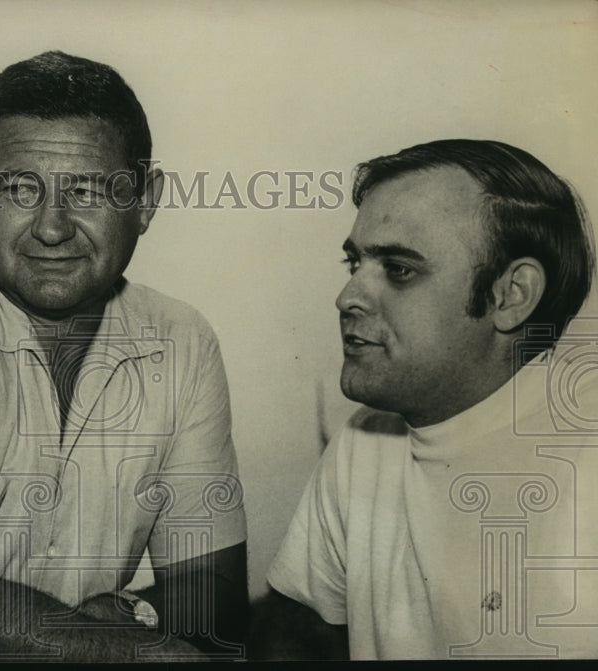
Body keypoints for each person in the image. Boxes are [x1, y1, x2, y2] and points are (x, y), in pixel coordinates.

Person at [0, 51, 248, 662]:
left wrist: (123, 613)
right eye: (19, 188)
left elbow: (211, 600)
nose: (53, 227)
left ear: (146, 201)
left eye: (87, 190)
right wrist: (126, 649)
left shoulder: (182, 341)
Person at [253, 139, 598, 660]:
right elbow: (296, 631)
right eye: (355, 264)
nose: (347, 298)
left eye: (399, 269)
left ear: (511, 295)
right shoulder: (365, 439)